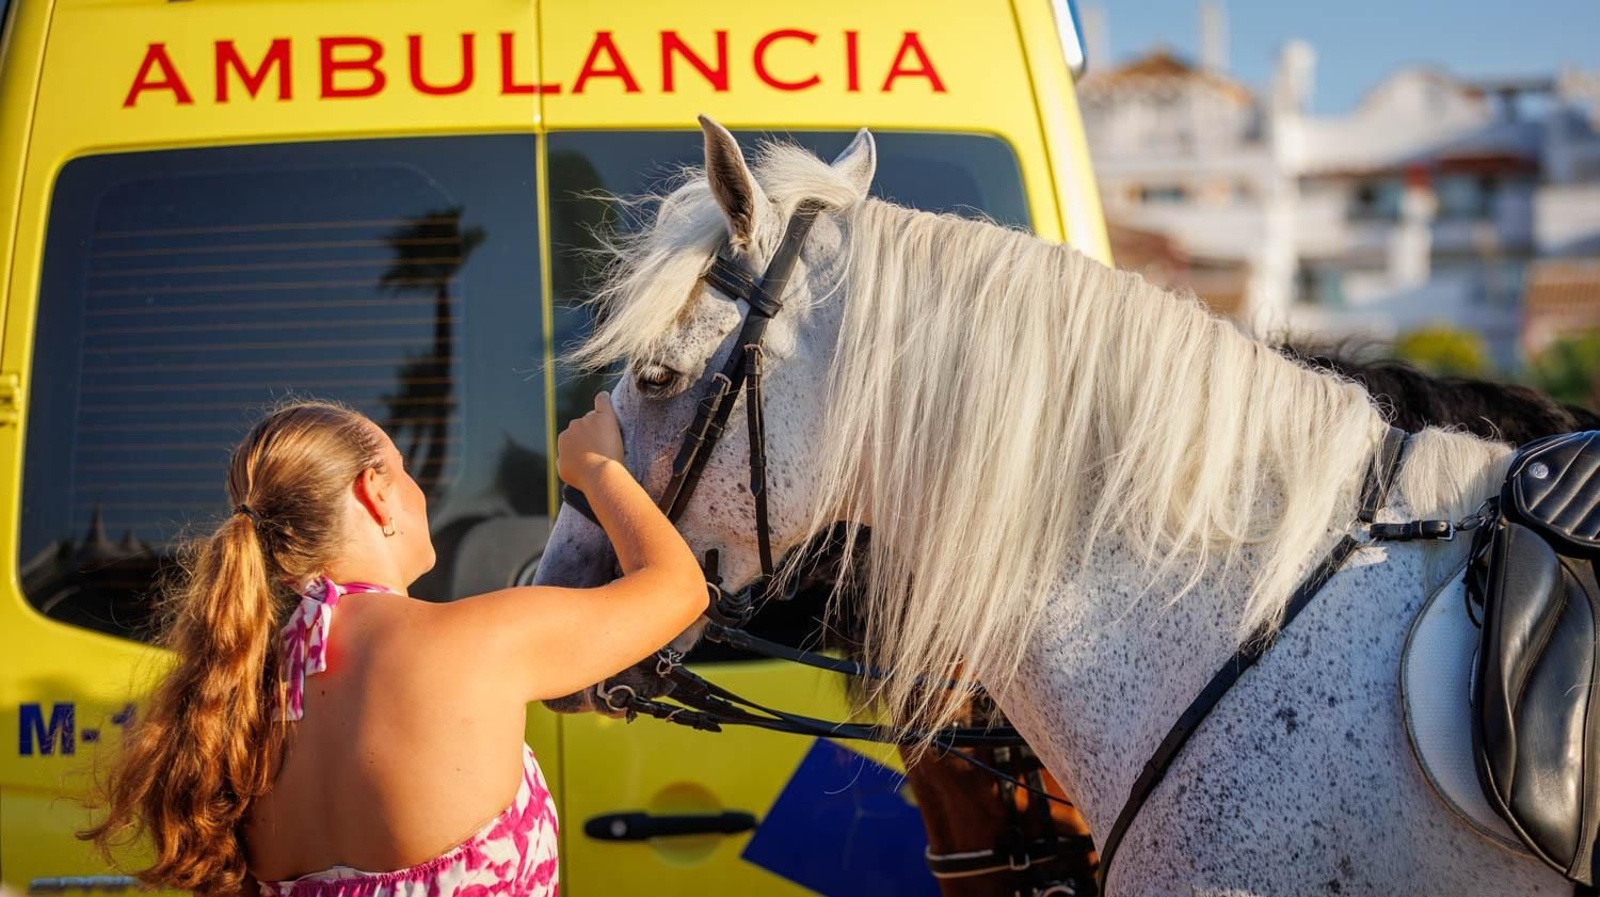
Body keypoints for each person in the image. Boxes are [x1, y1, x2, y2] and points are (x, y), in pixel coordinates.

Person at [81, 394, 704, 896]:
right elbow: (679, 589)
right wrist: (596, 470)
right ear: (374, 492)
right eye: (405, 471)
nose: (420, 493)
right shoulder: (472, 642)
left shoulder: (243, 700)